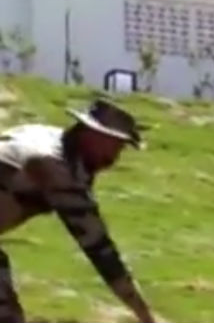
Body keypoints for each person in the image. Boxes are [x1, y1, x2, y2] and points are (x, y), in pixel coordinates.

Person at [0, 99, 156, 323]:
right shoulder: (51, 165)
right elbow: (99, 248)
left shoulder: (43, 136)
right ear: (93, 135)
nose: (114, 159)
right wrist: (146, 316)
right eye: (116, 146)